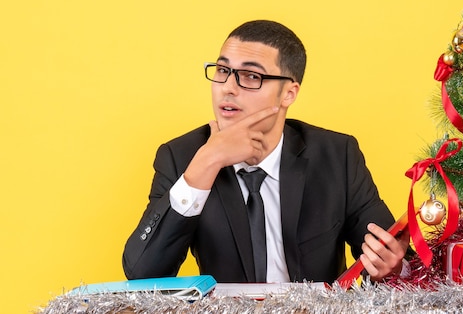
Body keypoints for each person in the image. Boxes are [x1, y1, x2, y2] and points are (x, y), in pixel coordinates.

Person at [122, 19, 409, 284]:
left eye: (250, 76)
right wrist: (207, 161)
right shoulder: (182, 157)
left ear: (289, 93)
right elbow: (143, 273)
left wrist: (391, 267)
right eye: (222, 71)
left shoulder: (336, 156)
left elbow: (393, 258)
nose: (227, 88)